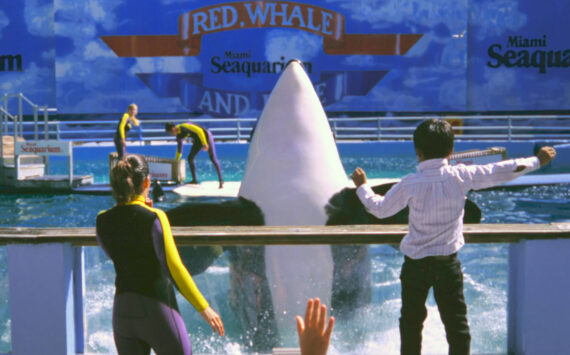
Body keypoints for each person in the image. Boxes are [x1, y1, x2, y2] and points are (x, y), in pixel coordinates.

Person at [350, 119, 556, 355]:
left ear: (418, 151)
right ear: (451, 151)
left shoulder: (409, 183)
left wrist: (362, 187)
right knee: (457, 326)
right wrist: (537, 160)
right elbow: (502, 171)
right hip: (447, 265)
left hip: (415, 266)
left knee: (411, 324)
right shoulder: (461, 176)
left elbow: (379, 208)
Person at [96, 154, 224, 355]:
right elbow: (174, 267)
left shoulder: (102, 220)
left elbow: (119, 253)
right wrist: (203, 307)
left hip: (123, 311)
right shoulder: (155, 218)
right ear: (146, 182)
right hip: (157, 309)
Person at [165, 121, 224, 188]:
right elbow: (179, 150)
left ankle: (221, 180)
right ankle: (194, 180)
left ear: (173, 128)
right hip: (197, 140)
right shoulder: (179, 136)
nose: (171, 134)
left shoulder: (184, 126)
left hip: (206, 135)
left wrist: (205, 144)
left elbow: (199, 131)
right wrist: (176, 161)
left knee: (213, 158)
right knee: (190, 158)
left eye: (170, 132)